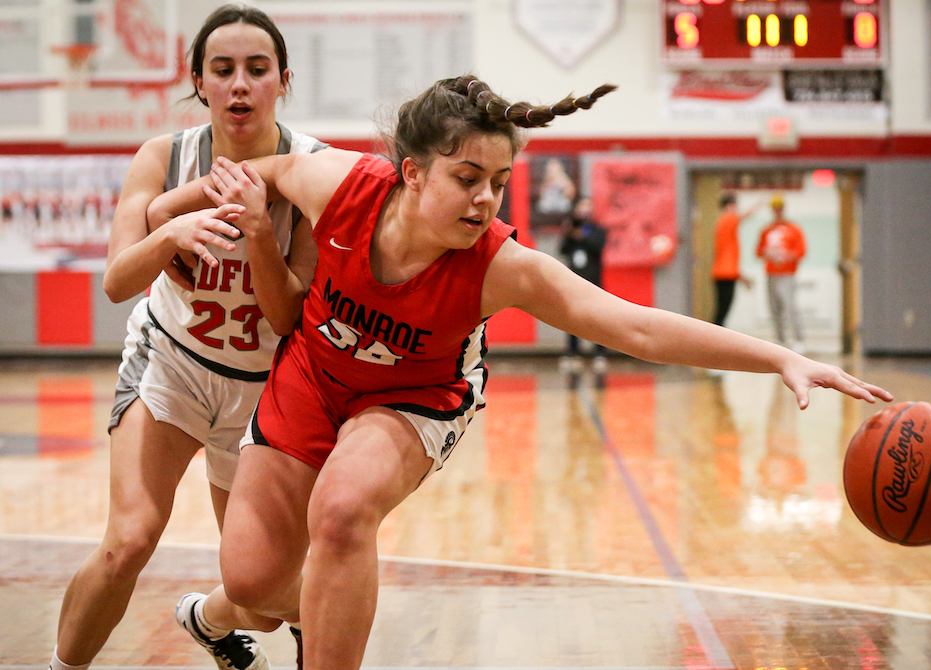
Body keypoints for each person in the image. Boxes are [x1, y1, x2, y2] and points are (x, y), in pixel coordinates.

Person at [146, 75, 893, 669]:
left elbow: (635, 325)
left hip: (414, 396)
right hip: (311, 370)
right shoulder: (336, 184)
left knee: (342, 515)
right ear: (410, 171)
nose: (485, 198)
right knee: (251, 583)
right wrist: (165, 216)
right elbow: (253, 171)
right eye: (468, 176)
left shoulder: (502, 267)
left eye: (498, 181)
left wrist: (780, 356)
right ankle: (219, 616)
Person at [49, 6, 324, 670]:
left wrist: (260, 231)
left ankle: (207, 620)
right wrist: (168, 232)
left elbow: (289, 315)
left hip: (262, 391)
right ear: (197, 80)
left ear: (282, 80)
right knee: (128, 542)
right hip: (171, 365)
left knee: (260, 596)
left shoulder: (311, 167)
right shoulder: (164, 156)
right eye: (222, 69)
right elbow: (117, 280)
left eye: (256, 70)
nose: (239, 85)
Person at [559, 195, 608, 370]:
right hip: (573, 280)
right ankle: (573, 352)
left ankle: (600, 354)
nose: (585, 210)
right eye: (582, 206)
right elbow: (563, 249)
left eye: (588, 206)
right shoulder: (571, 228)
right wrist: (570, 233)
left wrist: (583, 236)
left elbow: (598, 246)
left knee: (599, 319)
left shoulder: (597, 229)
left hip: (594, 281)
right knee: (572, 318)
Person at [756, 194, 807, 351]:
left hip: (787, 274)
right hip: (771, 274)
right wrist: (768, 254)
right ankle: (780, 339)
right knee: (774, 308)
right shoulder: (766, 230)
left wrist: (787, 256)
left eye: (780, 208)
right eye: (775, 208)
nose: (777, 211)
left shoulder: (794, 229)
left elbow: (801, 251)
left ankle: (799, 339)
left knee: (790, 307)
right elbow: (759, 251)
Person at [711, 193, 763, 327]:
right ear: (729, 206)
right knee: (722, 311)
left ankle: (716, 337)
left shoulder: (723, 223)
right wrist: (759, 204)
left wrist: (742, 277)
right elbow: (743, 216)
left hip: (725, 273)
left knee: (723, 310)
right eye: (735, 205)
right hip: (725, 274)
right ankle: (714, 339)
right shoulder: (727, 219)